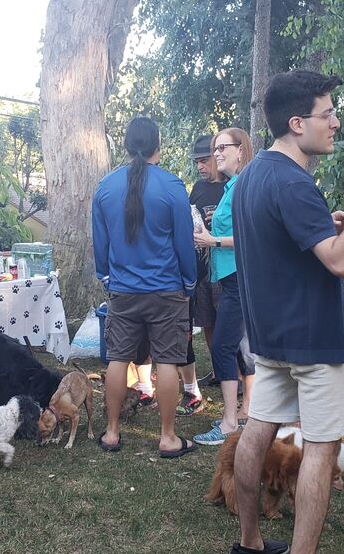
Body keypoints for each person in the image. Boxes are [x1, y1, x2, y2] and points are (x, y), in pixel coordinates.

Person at [227, 70, 344, 554]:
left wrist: (327, 225)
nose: (336, 122)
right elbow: (342, 262)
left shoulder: (252, 175)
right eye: (328, 113)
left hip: (270, 337)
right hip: (316, 341)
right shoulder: (293, 181)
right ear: (297, 123)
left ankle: (249, 542)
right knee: (321, 447)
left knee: (257, 429)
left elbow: (287, 241)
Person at [92, 116, 198, 458]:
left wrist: (106, 276)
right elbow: (184, 242)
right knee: (167, 360)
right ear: (158, 147)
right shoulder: (172, 186)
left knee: (118, 358)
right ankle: (167, 437)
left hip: (123, 290)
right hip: (167, 289)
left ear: (126, 146)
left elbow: (100, 242)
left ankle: (111, 433)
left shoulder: (105, 187)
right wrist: (189, 281)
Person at [194, 127, 257, 446]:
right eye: (215, 148)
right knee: (238, 346)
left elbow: (253, 235)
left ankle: (230, 422)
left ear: (241, 150)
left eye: (222, 148)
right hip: (232, 277)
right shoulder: (233, 185)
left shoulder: (243, 185)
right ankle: (246, 412)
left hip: (239, 278)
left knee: (222, 346)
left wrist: (212, 240)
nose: (216, 153)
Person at [181, 133, 223, 415]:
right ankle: (219, 369)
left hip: (226, 267)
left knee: (229, 323)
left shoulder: (232, 186)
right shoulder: (197, 189)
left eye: (204, 160)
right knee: (207, 321)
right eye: (197, 162)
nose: (200, 166)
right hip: (201, 268)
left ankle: (239, 373)